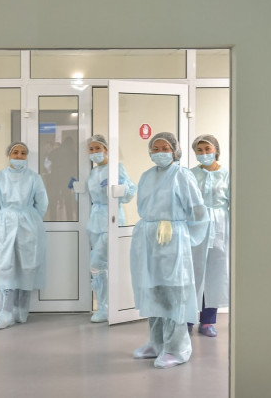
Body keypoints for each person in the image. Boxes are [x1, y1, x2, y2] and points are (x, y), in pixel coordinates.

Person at [130, 132, 208, 368]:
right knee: (153, 290)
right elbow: (143, 206)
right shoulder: (146, 176)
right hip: (149, 238)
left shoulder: (181, 175)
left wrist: (184, 236)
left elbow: (198, 211)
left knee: (175, 293)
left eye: (165, 148)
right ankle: (156, 343)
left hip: (173, 239)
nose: (160, 152)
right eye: (155, 149)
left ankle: (177, 349)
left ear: (174, 151)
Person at [0, 141, 48, 330]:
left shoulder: (34, 178)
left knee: (26, 265)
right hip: (6, 223)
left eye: (23, 153)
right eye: (15, 153)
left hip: (28, 224)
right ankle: (5, 312)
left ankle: (22, 309)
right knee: (5, 266)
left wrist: (31, 218)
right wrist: (3, 219)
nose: (19, 156)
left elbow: (42, 202)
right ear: (9, 155)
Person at [85, 134, 137, 323]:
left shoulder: (117, 168)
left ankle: (107, 308)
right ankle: (106, 307)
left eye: (97, 148)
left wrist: (118, 187)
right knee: (101, 266)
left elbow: (130, 193)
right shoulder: (92, 172)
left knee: (96, 263)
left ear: (106, 149)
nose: (94, 152)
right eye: (91, 149)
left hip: (112, 218)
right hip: (95, 221)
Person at [189, 134, 230, 337]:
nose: (204, 153)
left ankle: (207, 321)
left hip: (220, 227)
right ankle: (187, 318)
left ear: (216, 150)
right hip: (195, 226)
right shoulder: (190, 174)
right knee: (192, 273)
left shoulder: (227, 174)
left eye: (208, 149)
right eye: (200, 150)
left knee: (215, 273)